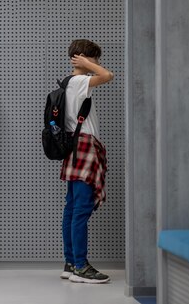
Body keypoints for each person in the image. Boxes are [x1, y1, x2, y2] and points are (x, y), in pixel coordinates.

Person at [59, 39, 114, 283]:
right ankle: (80, 266)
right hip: (84, 147)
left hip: (75, 146)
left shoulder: (68, 82)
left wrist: (86, 63)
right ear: (82, 57)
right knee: (80, 209)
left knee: (72, 208)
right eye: (95, 58)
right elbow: (108, 75)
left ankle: (70, 263)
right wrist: (86, 64)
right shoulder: (80, 81)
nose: (98, 64)